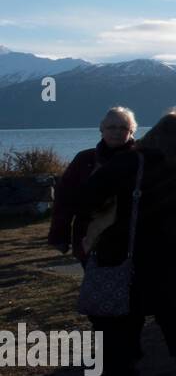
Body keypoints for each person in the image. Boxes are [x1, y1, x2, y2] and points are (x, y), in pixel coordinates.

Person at [75, 110, 176, 376]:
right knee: (175, 316)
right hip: (172, 255)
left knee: (118, 324)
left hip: (125, 254)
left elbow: (85, 198)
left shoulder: (130, 162)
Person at [48, 106, 138, 263]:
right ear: (101, 129)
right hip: (88, 238)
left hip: (132, 239)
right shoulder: (84, 160)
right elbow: (64, 199)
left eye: (123, 127)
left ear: (132, 132)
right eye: (111, 127)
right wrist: (59, 235)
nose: (117, 132)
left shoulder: (142, 160)